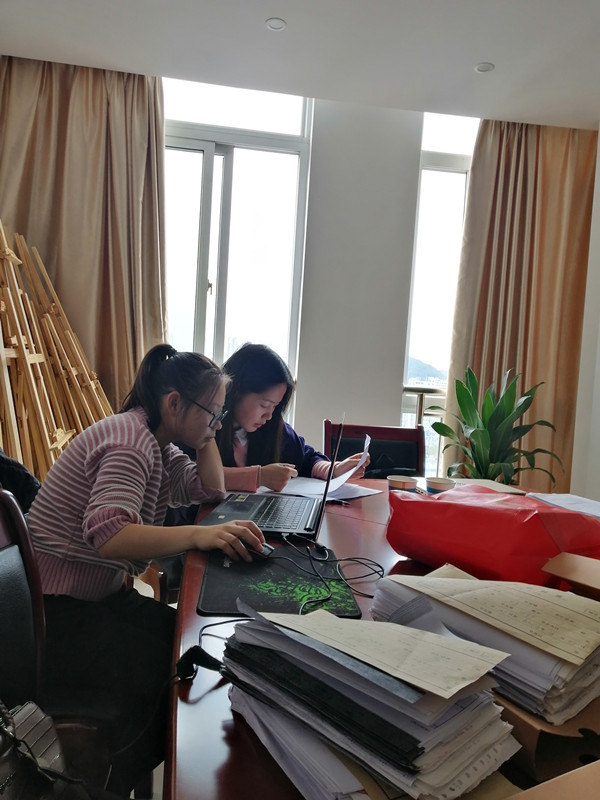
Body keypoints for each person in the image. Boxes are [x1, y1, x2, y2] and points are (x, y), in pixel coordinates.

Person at [26, 344, 264, 797]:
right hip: (53, 615)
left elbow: (210, 489)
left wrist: (206, 435)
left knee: (187, 643)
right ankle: (104, 783)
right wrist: (197, 536)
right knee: (169, 670)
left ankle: (130, 776)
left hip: (96, 597)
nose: (218, 423)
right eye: (212, 413)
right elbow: (111, 535)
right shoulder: (130, 443)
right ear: (173, 403)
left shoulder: (159, 443)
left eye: (220, 414)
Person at [216, 342, 367, 492]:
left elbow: (306, 458)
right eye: (264, 405)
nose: (269, 415)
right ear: (237, 390)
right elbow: (203, 477)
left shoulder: (272, 427)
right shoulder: (209, 426)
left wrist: (333, 469)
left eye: (275, 406)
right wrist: (258, 477)